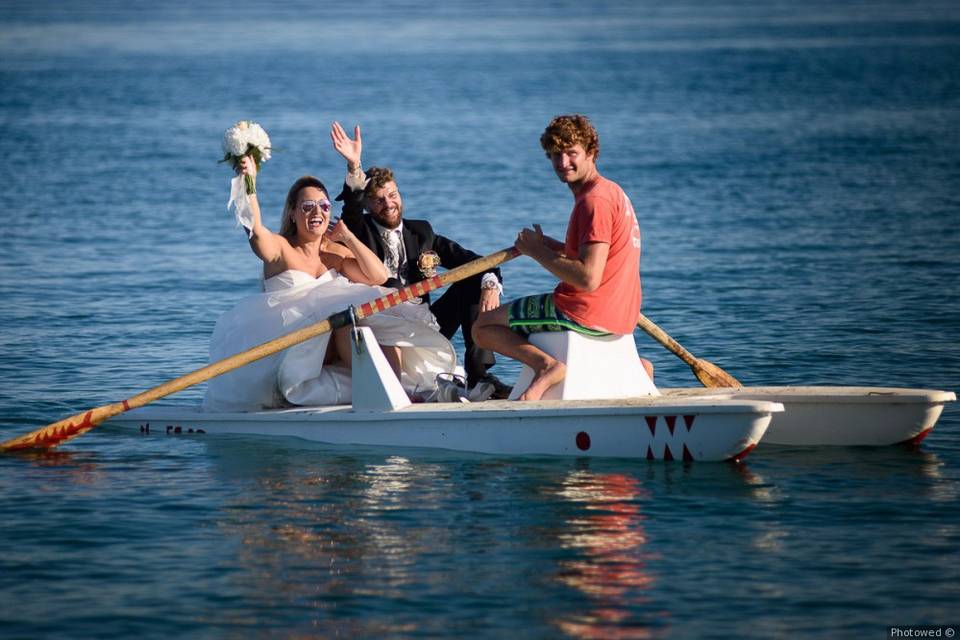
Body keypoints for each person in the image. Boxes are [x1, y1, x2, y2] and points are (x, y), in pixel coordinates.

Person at [203, 156, 456, 412]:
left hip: (333, 341)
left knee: (377, 318)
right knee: (346, 320)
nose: (317, 212)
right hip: (293, 343)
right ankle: (388, 391)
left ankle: (395, 390)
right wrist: (249, 182)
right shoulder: (281, 248)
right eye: (308, 206)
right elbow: (256, 232)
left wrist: (347, 237)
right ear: (292, 213)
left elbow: (378, 276)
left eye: (324, 206)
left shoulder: (333, 252)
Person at [330, 122, 512, 399]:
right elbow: (351, 209)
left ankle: (478, 377)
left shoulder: (422, 231)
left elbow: (472, 261)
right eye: (378, 200)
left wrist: (489, 283)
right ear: (368, 206)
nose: (388, 203)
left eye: (392, 195)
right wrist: (355, 166)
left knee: (474, 282)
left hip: (425, 322)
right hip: (384, 321)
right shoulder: (360, 229)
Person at [472, 114, 648, 401]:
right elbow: (601, 253)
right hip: (621, 314)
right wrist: (554, 247)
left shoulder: (594, 201)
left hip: (583, 311)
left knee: (483, 326)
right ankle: (639, 368)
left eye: (572, 153)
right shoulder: (612, 192)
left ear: (591, 153)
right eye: (555, 155)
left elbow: (588, 278)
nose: (563, 162)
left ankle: (547, 367)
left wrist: (535, 251)